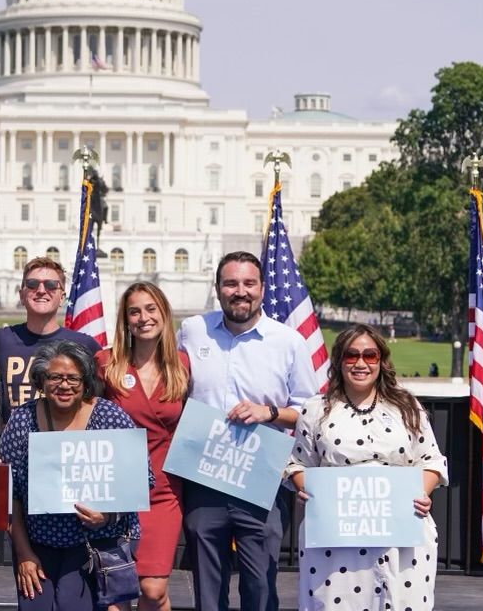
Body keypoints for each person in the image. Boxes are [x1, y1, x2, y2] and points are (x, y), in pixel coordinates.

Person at [177, 252, 319, 611]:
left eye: (248, 283)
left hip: (261, 480)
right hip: (204, 475)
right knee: (208, 588)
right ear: (218, 289)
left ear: (262, 289)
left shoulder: (288, 342)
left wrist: (268, 411)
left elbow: (310, 412)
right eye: (231, 283)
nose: (240, 291)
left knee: (259, 584)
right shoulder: (193, 330)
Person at [285, 326, 447, 611]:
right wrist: (306, 488)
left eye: (369, 355)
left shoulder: (408, 407)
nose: (361, 363)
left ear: (381, 361)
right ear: (339, 361)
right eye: (352, 355)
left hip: (402, 540)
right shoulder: (315, 410)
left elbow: (432, 460)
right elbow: (296, 462)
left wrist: (422, 492)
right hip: (335, 545)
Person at [0, 339, 144, 611]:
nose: (64, 385)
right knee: (34, 607)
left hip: (95, 541)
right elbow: (9, 494)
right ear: (41, 380)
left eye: (73, 378)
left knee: (71, 604)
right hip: (37, 540)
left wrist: (109, 515)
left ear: (86, 381)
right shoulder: (22, 420)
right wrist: (24, 553)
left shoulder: (110, 418)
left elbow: (142, 479)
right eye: (55, 377)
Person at [96, 282, 190, 611]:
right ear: (125, 320)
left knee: (152, 589)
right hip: (117, 493)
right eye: (134, 311)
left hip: (164, 492)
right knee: (117, 594)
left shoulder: (182, 366)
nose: (143, 317)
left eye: (151, 309)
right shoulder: (106, 364)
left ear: (164, 313)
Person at [0, 257, 97, 428]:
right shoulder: (0, 341)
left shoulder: (85, 345)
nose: (41, 290)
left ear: (62, 298)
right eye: (32, 284)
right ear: (22, 295)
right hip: (16, 445)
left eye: (51, 285)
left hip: (66, 444)